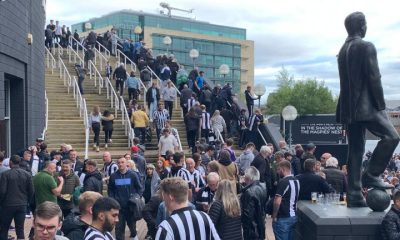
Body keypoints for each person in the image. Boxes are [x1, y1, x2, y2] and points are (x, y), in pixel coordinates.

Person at [336, 12, 400, 207]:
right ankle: (371, 174)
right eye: (365, 24)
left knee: (355, 149)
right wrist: (381, 106)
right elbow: (374, 77)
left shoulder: (343, 48)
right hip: (364, 106)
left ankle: (354, 195)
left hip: (347, 107)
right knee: (392, 137)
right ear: (361, 26)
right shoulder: (366, 46)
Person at [155, 177, 220, 240]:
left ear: (170, 197)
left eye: (163, 195)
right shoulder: (205, 217)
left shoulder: (166, 226)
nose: (163, 199)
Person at [108, 157, 143, 240]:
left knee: (132, 226)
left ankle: (134, 236)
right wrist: (112, 199)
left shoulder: (133, 175)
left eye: (122, 162)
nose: (120, 164)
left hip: (131, 206)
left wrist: (137, 197)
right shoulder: (113, 176)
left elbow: (139, 188)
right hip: (118, 207)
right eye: (119, 162)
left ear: (126, 163)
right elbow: (110, 189)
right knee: (119, 228)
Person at [0, 155, 34, 240]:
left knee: (4, 229)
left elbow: (2, 191)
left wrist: (1, 202)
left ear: (10, 162)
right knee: (20, 229)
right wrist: (27, 201)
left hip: (7, 205)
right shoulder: (27, 174)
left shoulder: (5, 174)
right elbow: (31, 191)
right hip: (22, 204)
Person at [272, 160, 300, 240]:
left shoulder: (283, 182)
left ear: (282, 169)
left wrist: (274, 216)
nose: (277, 172)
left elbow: (277, 200)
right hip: (293, 216)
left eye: (278, 169)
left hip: (283, 218)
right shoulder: (296, 180)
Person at [241, 167, 267, 240]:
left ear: (249, 178)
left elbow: (247, 215)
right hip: (260, 224)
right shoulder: (263, 187)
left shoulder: (249, 192)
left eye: (245, 177)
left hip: (252, 229)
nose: (244, 178)